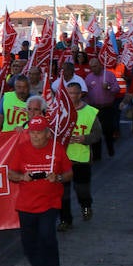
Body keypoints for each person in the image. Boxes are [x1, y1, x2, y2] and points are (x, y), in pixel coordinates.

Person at [7, 116, 73, 266]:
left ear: (47, 133)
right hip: (26, 205)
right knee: (29, 244)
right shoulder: (22, 149)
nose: (35, 136)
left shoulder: (56, 148)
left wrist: (57, 177)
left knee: (47, 237)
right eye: (32, 133)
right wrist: (22, 177)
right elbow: (10, 173)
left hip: (49, 203)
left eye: (38, 133)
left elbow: (68, 173)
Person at [57, 83, 100, 232]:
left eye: (73, 93)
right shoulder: (60, 111)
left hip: (81, 158)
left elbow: (97, 134)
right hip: (63, 158)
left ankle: (86, 205)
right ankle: (65, 220)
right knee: (63, 193)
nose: (69, 96)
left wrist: (85, 138)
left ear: (80, 94)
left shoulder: (90, 112)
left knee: (82, 189)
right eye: (67, 93)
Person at [84, 57, 119, 159]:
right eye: (91, 67)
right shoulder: (89, 78)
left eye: (95, 66)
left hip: (107, 107)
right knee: (95, 131)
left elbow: (117, 89)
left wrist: (108, 87)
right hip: (94, 108)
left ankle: (110, 147)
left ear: (100, 65)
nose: (93, 69)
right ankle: (97, 154)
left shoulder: (109, 75)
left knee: (108, 130)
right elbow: (86, 93)